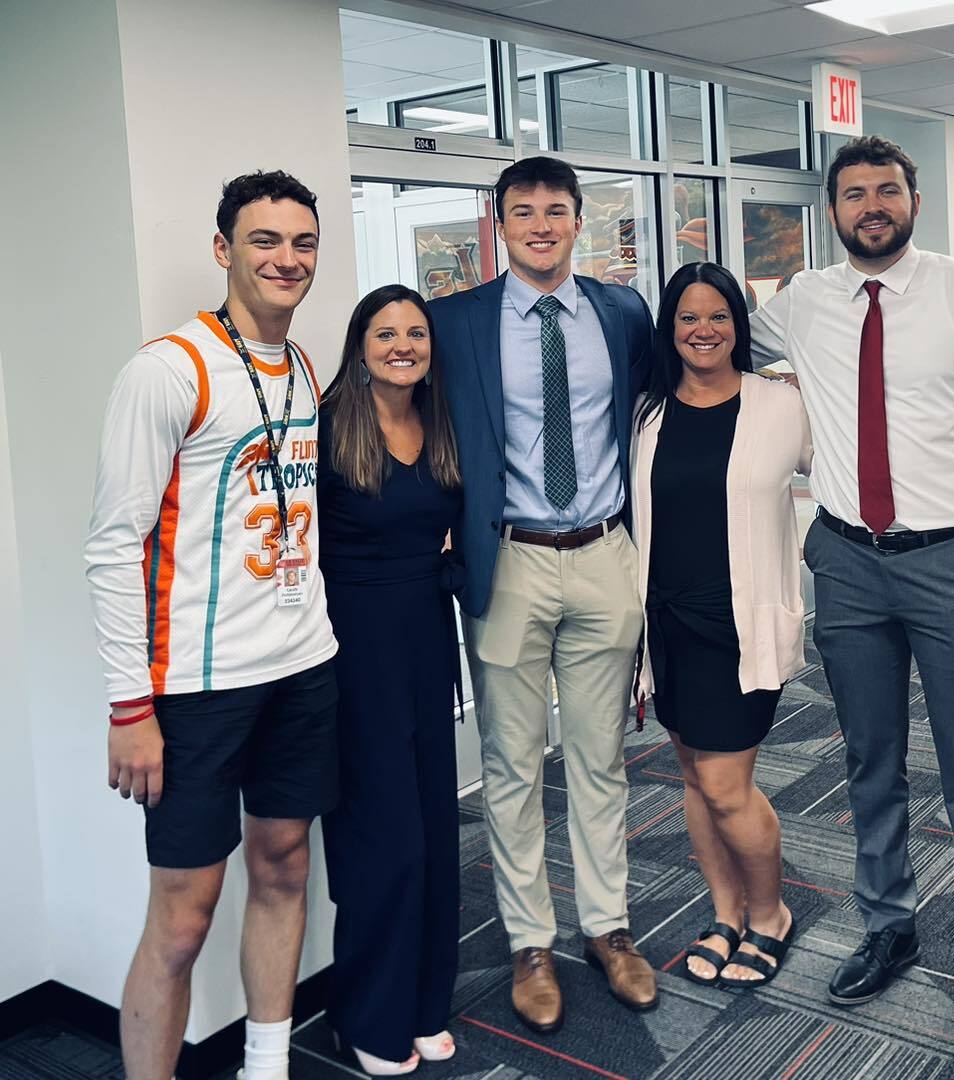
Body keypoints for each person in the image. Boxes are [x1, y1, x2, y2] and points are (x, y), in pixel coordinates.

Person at [750, 135, 954, 1052]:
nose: (871, 206)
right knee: (869, 760)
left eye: (886, 190)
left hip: (952, 561)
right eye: (853, 194)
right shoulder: (803, 302)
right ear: (832, 212)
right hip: (846, 564)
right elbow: (704, 333)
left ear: (913, 199)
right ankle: (888, 924)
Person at [85, 170, 338, 1080]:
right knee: (184, 916)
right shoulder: (169, 369)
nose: (286, 258)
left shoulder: (304, 367)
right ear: (225, 249)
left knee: (283, 868)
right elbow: (113, 547)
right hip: (196, 690)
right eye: (264, 241)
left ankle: (263, 1066)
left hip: (304, 667)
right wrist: (129, 707)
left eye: (302, 243)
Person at [429, 156, 656, 1033]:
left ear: (578, 221)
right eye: (522, 211)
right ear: (500, 221)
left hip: (604, 553)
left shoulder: (621, 311)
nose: (540, 225)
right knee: (512, 764)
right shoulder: (454, 322)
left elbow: (655, 408)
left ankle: (609, 926)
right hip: (508, 561)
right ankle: (530, 940)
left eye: (556, 211)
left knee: (600, 758)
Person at [631, 262, 811, 990]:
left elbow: (844, 469)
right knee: (693, 778)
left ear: (740, 326)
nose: (703, 330)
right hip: (666, 623)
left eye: (718, 317)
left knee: (725, 781)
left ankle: (770, 915)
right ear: (669, 329)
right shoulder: (645, 412)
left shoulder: (781, 404)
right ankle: (726, 910)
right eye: (687, 318)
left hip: (740, 626)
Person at [317, 285, 463, 1076]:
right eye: (385, 332)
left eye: (415, 332)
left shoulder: (438, 418)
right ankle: (366, 1015)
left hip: (424, 639)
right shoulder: (331, 421)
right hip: (353, 647)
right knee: (384, 842)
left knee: (436, 832)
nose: (402, 344)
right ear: (359, 343)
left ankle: (422, 1003)